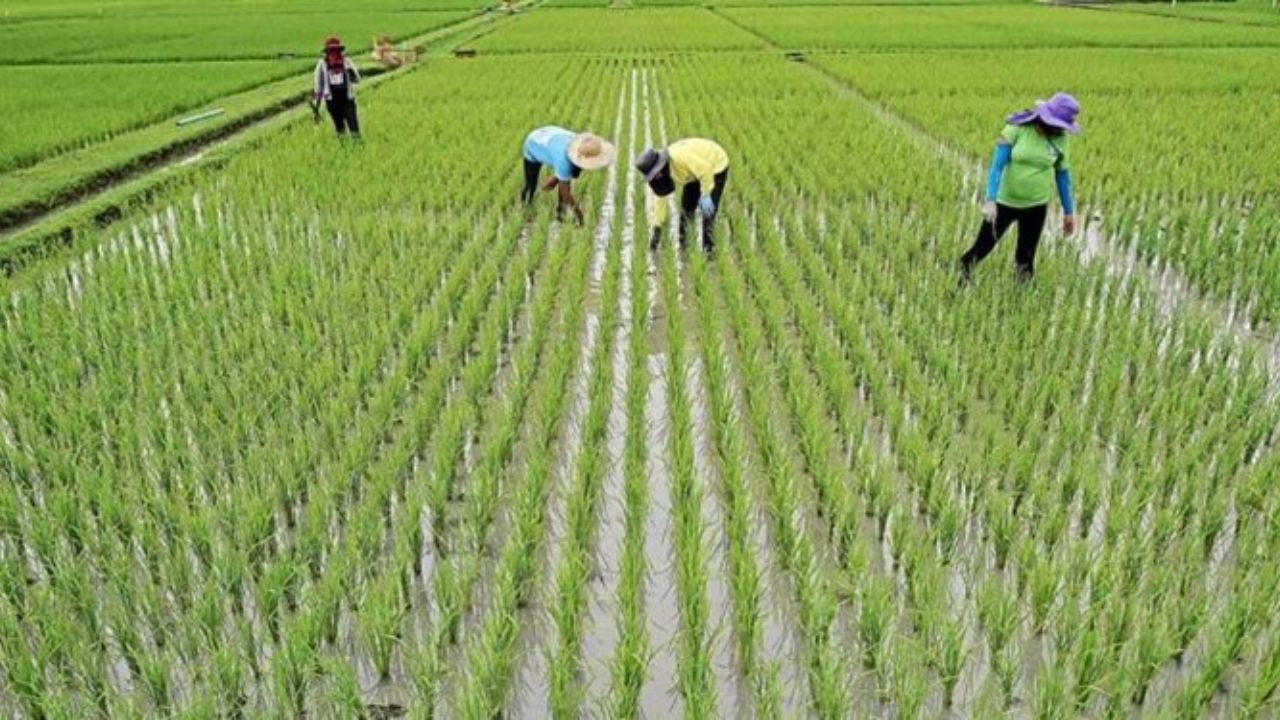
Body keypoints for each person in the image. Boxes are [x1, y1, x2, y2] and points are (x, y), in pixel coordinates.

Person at [959, 92, 1080, 282]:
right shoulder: (1016, 129)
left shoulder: (1061, 139)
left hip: (1036, 207)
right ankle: (958, 281)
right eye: (1056, 125)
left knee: (1026, 259)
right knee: (981, 249)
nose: (1058, 129)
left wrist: (1069, 212)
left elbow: (1062, 176)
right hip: (1004, 204)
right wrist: (990, 200)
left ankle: (1021, 295)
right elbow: (997, 166)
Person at [633, 138, 729, 254]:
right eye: (653, 175)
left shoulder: (679, 158)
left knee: (708, 212)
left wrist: (706, 194)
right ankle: (684, 246)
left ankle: (708, 251)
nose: (656, 176)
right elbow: (660, 197)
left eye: (655, 173)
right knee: (686, 208)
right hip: (692, 173)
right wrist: (657, 227)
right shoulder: (660, 176)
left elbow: (705, 170)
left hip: (715, 164)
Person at [520, 126, 617, 225]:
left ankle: (560, 212)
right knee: (531, 185)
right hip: (534, 143)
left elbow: (567, 175)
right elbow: (565, 193)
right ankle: (525, 209)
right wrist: (579, 214)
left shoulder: (582, 145)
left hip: (552, 137)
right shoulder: (564, 160)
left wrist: (556, 179)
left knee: (567, 176)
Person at [312, 36, 362, 139]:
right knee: (340, 127)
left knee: (353, 126)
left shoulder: (346, 62)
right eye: (331, 50)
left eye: (336, 50)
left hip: (347, 99)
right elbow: (318, 87)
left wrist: (350, 72)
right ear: (327, 52)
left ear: (339, 50)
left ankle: (357, 145)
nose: (334, 53)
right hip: (332, 101)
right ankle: (344, 146)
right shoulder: (322, 65)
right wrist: (316, 106)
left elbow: (357, 79)